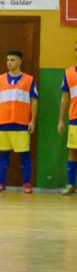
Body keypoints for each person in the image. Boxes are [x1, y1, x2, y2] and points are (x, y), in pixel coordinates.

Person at [0, 51, 38, 193]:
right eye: (8, 60)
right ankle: (0, 183)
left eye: (12, 60)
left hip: (21, 123)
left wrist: (32, 121)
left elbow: (34, 101)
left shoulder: (29, 80)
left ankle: (27, 184)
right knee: (3, 155)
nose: (9, 62)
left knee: (24, 155)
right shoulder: (0, 79)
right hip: (4, 122)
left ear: (19, 62)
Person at [58, 41, 77, 195]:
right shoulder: (69, 73)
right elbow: (65, 98)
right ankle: (70, 184)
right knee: (73, 151)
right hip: (74, 118)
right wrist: (61, 120)